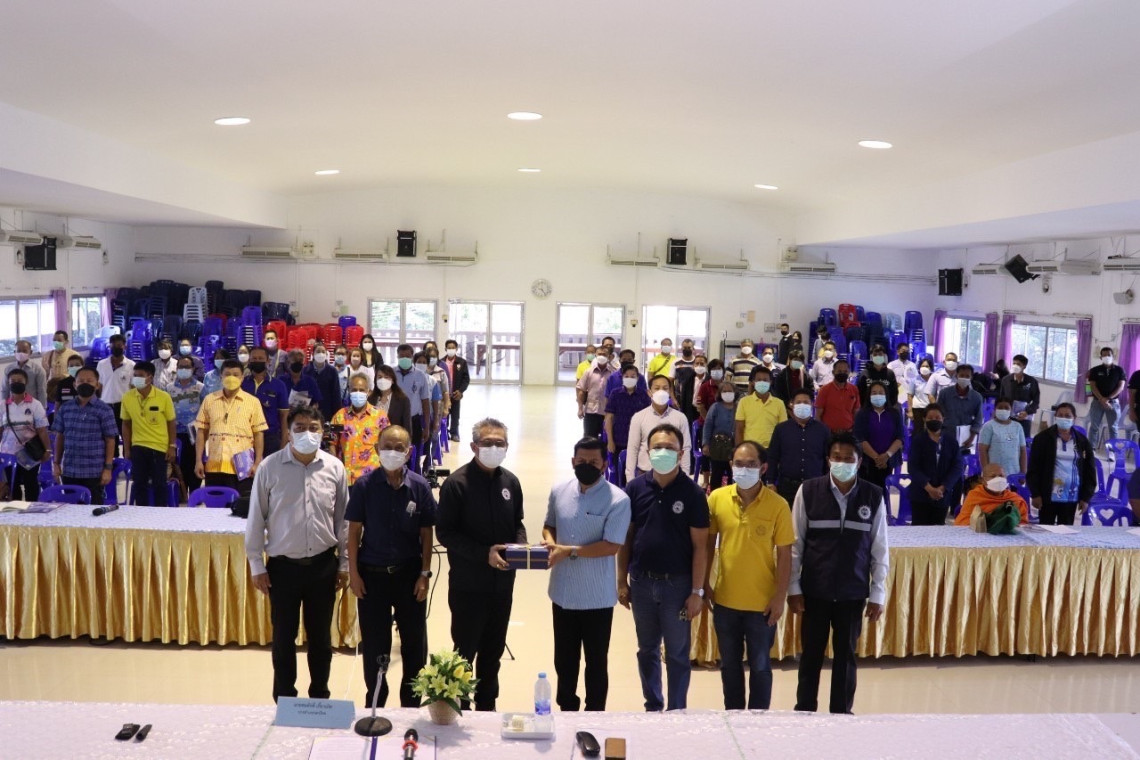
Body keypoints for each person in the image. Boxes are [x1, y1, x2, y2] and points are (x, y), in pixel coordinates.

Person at [246, 405, 349, 703]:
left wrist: (344, 563)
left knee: (321, 640)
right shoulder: (269, 467)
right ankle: (285, 699)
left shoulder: (334, 468)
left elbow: (343, 521)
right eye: (300, 428)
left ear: (322, 432)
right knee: (283, 639)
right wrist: (256, 565)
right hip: (282, 569)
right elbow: (256, 518)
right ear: (289, 433)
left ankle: (319, 698)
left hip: (322, 567)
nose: (307, 433)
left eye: (313, 428)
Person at [788, 432, 889, 715]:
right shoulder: (808, 491)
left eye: (848, 459)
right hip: (814, 591)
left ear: (859, 462)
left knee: (846, 658)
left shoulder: (873, 495)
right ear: (828, 460)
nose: (842, 463)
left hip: (852, 592)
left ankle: (842, 715)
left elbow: (880, 549)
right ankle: (805, 712)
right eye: (836, 458)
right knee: (810, 656)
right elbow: (795, 544)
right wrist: (793, 588)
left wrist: (878, 593)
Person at [436, 418, 526, 711]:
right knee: (464, 652)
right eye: (488, 443)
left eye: (500, 443)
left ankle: (488, 706)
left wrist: (521, 546)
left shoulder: (510, 482)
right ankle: (460, 707)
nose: (494, 448)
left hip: (502, 585)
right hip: (468, 585)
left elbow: (517, 523)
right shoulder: (456, 484)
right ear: (474, 446)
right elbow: (445, 533)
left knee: (493, 651)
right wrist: (483, 553)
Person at [618, 423, 709, 712]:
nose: (663, 452)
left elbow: (701, 547)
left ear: (681, 453)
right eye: (657, 447)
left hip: (677, 586)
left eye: (669, 448)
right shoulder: (635, 489)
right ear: (647, 451)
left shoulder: (693, 494)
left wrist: (697, 592)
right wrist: (621, 581)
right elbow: (627, 538)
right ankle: (653, 705)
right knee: (646, 650)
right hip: (642, 583)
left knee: (678, 654)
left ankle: (676, 710)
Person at [346, 425, 435, 708]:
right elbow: (353, 533)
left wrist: (424, 575)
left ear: (409, 452)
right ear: (376, 449)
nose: (393, 452)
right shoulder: (364, 486)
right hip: (372, 577)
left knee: (414, 644)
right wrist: (354, 574)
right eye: (387, 447)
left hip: (409, 576)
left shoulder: (420, 487)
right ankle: (376, 702)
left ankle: (411, 703)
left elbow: (426, 534)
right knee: (375, 645)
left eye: (399, 448)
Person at [541, 436, 631, 712]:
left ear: (604, 464)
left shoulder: (618, 500)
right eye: (581, 461)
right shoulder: (559, 491)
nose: (587, 466)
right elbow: (549, 525)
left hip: (597, 598)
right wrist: (549, 542)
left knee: (596, 662)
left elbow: (611, 546)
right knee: (564, 660)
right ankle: (567, 709)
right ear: (573, 461)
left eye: (593, 462)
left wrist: (568, 551)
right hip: (562, 593)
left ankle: (595, 713)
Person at [705, 441, 792, 710]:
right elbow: (708, 545)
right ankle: (733, 718)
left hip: (762, 604)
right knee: (729, 666)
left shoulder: (778, 505)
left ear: (763, 468)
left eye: (751, 464)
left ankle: (758, 721)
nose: (744, 469)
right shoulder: (717, 498)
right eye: (739, 464)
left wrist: (779, 597)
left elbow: (785, 554)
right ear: (731, 465)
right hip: (725, 600)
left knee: (760, 666)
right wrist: (704, 584)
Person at [194, 359, 267, 497]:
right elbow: (201, 432)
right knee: (215, 507)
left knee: (240, 508)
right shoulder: (209, 400)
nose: (231, 378)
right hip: (214, 467)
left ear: (242, 378)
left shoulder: (253, 402)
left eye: (235, 374)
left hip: (243, 469)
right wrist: (198, 460)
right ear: (221, 377)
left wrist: (258, 462)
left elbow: (258, 434)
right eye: (227, 374)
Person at [51, 366, 118, 506]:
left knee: (93, 511)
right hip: (70, 470)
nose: (84, 384)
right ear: (75, 384)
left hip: (94, 471)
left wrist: (108, 469)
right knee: (71, 510)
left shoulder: (105, 410)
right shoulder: (65, 408)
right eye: (81, 381)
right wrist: (56, 463)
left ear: (97, 385)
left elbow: (110, 440)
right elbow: (60, 436)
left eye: (89, 381)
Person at [1026, 402, 1096, 526]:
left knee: (1065, 531)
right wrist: (1035, 494)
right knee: (1045, 530)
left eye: (1067, 416)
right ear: (1055, 417)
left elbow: (1089, 471)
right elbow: (1033, 469)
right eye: (1060, 415)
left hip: (1071, 496)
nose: (1064, 418)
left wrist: (1085, 498)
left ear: (1074, 418)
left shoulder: (1082, 441)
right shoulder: (1042, 439)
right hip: (1047, 496)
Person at [121, 361, 177, 506]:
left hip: (159, 447)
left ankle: (160, 513)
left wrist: (172, 446)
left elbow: (171, 423)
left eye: (140, 375)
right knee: (139, 483)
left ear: (150, 378)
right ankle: (141, 513)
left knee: (159, 484)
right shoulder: (127, 397)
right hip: (138, 446)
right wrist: (127, 449)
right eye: (135, 375)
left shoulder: (163, 397)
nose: (136, 378)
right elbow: (126, 424)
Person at [766, 389, 830, 506]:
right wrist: (770, 482)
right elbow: (773, 457)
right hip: (787, 487)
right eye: (798, 402)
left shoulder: (823, 430)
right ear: (792, 405)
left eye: (806, 402)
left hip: (815, 487)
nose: (802, 405)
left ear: (812, 404)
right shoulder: (781, 429)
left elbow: (828, 459)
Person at [625, 375, 692, 483]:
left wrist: (685, 477)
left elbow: (686, 448)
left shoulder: (680, 418)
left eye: (665, 388)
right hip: (645, 473)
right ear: (649, 392)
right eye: (657, 388)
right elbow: (633, 448)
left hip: (673, 474)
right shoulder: (638, 417)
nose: (661, 391)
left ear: (670, 392)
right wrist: (630, 478)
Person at [906, 404, 963, 525]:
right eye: (930, 418)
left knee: (938, 529)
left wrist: (942, 488)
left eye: (937, 418)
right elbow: (913, 467)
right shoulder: (918, 440)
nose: (934, 420)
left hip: (942, 494)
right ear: (924, 419)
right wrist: (930, 489)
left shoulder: (951, 441)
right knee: (919, 530)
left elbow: (957, 466)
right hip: (920, 494)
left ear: (943, 419)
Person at [0, 368, 51, 500]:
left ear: (26, 382)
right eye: (13, 381)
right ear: (8, 383)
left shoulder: (35, 404)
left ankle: (32, 510)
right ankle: (15, 510)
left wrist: (47, 449)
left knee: (31, 484)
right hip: (8, 453)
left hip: (30, 452)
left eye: (20, 380)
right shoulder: (2, 405)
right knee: (13, 485)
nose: (16, 383)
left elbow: (42, 430)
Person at [331, 374, 389, 485]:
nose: (358, 393)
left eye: (361, 390)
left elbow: (387, 444)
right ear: (349, 391)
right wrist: (335, 466)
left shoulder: (380, 417)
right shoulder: (339, 416)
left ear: (369, 392)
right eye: (354, 390)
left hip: (372, 478)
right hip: (346, 478)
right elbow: (331, 442)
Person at [851, 381, 903, 489]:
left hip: (888, 461)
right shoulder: (862, 414)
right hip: (867, 463)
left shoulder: (894, 413)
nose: (877, 395)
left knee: (884, 491)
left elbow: (899, 438)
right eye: (874, 393)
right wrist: (877, 458)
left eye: (881, 392)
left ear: (886, 395)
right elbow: (859, 438)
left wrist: (886, 456)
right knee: (868, 492)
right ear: (869, 395)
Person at [604, 365, 651, 482]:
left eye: (633, 376)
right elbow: (609, 418)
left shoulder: (643, 395)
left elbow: (648, 418)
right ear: (622, 378)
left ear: (638, 378)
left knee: (637, 474)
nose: (629, 378)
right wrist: (610, 441)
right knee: (619, 472)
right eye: (626, 376)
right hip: (619, 440)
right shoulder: (615, 394)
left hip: (639, 441)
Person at [167, 356, 205, 495]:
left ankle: (195, 494)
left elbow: (205, 409)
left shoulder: (200, 387)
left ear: (193, 369)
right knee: (179, 465)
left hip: (195, 434)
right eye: (181, 366)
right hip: (176, 433)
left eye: (187, 367)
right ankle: (181, 495)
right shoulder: (169, 388)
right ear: (176, 368)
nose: (184, 369)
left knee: (194, 462)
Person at [243, 347, 291, 457]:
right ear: (249, 360)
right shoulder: (242, 383)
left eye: (261, 358)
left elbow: (284, 416)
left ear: (268, 361)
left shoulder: (278, 385)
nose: (257, 361)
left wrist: (283, 444)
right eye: (254, 358)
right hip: (245, 437)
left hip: (271, 438)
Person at [954, 463, 1029, 527]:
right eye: (993, 476)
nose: (998, 479)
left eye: (1001, 475)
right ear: (983, 480)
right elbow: (964, 523)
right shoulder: (974, 496)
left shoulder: (1014, 499)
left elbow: (1022, 524)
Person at [734, 365, 787, 448]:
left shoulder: (779, 403)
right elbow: (739, 429)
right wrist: (739, 449)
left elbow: (783, 430)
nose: (762, 382)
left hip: (772, 449)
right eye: (759, 380)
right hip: (750, 448)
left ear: (770, 382)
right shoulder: (744, 402)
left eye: (765, 380)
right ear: (753, 382)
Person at [935, 363, 984, 453]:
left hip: (966, 438)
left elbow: (978, 420)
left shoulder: (977, 397)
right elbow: (938, 415)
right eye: (961, 375)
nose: (964, 378)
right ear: (956, 376)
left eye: (967, 376)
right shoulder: (944, 393)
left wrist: (971, 438)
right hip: (947, 435)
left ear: (971, 377)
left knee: (963, 460)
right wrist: (937, 434)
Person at [96, 333, 135, 442]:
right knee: (109, 438)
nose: (115, 348)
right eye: (113, 345)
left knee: (126, 436)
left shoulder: (131, 365)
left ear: (124, 346)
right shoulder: (101, 364)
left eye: (119, 345)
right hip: (106, 405)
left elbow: (133, 387)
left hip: (123, 405)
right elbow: (99, 385)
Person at [1086, 346, 1125, 452]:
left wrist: (1107, 399)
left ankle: (1112, 451)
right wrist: (1101, 399)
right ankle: (1091, 450)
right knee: (1094, 427)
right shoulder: (1095, 370)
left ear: (1113, 356)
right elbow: (1092, 386)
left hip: (1113, 403)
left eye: (1108, 355)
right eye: (1104, 355)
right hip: (1097, 402)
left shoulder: (1119, 370)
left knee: (1113, 427)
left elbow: (1121, 387)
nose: (1106, 357)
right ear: (1100, 357)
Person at [394, 344, 432, 450]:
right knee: (396, 450)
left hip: (414, 420)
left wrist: (427, 426)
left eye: (407, 356)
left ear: (412, 357)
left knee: (413, 451)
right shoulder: (391, 374)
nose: (404, 359)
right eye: (401, 356)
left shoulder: (420, 375)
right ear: (397, 357)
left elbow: (425, 401)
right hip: (395, 419)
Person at [978, 398, 1027, 478]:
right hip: (994, 474)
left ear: (1011, 410)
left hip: (1014, 473)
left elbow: (1023, 451)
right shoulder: (988, 426)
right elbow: (982, 451)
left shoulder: (1018, 427)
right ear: (995, 409)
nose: (1003, 410)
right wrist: (986, 473)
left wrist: (1023, 474)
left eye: (1006, 408)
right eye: (1000, 407)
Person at [702, 380, 737, 489]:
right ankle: (715, 495)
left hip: (734, 446)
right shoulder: (715, 407)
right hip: (717, 447)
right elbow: (707, 426)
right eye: (724, 391)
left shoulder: (739, 407)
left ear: (735, 392)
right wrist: (705, 444)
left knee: (733, 476)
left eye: (730, 391)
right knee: (716, 475)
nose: (727, 393)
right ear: (720, 393)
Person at [998, 355, 1040, 440]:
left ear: (1024, 366)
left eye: (1018, 364)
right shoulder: (1006, 380)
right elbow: (1001, 398)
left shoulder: (1032, 382)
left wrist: (1027, 412)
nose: (1015, 366)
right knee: (1007, 439)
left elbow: (1036, 401)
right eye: (1014, 363)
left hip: (1024, 417)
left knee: (1023, 440)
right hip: (1008, 416)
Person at [576, 346, 614, 437]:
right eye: (599, 354)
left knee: (606, 438)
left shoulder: (613, 374)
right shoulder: (588, 372)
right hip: (591, 411)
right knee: (589, 438)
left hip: (607, 413)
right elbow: (581, 390)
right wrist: (580, 408)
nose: (602, 356)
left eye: (604, 354)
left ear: (609, 356)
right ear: (595, 355)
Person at [814, 359, 860, 433]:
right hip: (829, 433)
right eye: (839, 371)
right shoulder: (824, 390)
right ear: (833, 372)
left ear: (849, 373)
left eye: (845, 371)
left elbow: (856, 412)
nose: (842, 373)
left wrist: (854, 429)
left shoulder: (854, 389)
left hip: (849, 432)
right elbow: (818, 415)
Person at [3, 339, 48, 406]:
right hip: (13, 406)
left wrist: (43, 408)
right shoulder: (8, 369)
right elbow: (5, 390)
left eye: (24, 351)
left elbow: (42, 391)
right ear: (14, 352)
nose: (21, 353)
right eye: (18, 351)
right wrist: (3, 406)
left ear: (30, 352)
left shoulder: (38, 370)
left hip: (32, 406)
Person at [442, 339, 471, 442]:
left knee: (455, 415)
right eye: (449, 348)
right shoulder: (441, 362)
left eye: (453, 348)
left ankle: (454, 433)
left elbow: (466, 379)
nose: (451, 349)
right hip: (444, 393)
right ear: (445, 349)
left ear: (456, 349)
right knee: (445, 413)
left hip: (456, 393)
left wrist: (460, 391)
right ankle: (444, 433)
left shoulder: (462, 362)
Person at [306, 343, 342, 422]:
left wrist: (337, 415)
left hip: (327, 411)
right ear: (313, 354)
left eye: (323, 352)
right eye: (318, 351)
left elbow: (336, 395)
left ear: (326, 354)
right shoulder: (305, 371)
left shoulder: (332, 371)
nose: (321, 354)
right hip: (309, 411)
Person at [370, 365, 412, 433]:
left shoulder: (403, 400)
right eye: (380, 377)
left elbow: (407, 427)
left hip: (394, 437)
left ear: (393, 381)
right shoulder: (370, 399)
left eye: (386, 377)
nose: (383, 380)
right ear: (375, 380)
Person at [677, 353, 707, 426]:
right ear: (693, 365)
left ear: (706, 365)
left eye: (702, 364)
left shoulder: (709, 380)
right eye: (697, 363)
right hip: (691, 409)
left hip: (705, 410)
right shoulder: (688, 379)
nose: (699, 366)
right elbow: (683, 397)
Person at [886, 343, 917, 408]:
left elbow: (915, 380)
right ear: (898, 352)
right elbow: (887, 380)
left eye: (907, 351)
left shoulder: (913, 365)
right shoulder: (891, 365)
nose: (905, 352)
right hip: (895, 395)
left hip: (909, 396)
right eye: (903, 350)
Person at [910, 357, 936, 429]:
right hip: (917, 409)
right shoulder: (914, 379)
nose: (924, 368)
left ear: (930, 368)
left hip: (930, 409)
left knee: (930, 429)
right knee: (918, 430)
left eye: (927, 366)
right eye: (922, 366)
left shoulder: (934, 379)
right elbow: (910, 395)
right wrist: (910, 411)